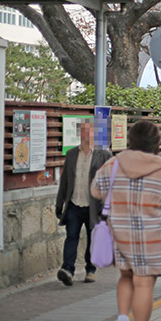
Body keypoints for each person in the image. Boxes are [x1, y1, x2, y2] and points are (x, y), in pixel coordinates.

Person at [90, 120, 161, 321]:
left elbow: (96, 190)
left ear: (130, 139)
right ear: (157, 142)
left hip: (120, 231)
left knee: (125, 276)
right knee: (143, 283)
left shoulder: (113, 164)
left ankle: (123, 318)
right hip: (152, 235)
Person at [55, 119, 112, 286]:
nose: (86, 135)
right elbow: (65, 181)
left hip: (94, 206)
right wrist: (60, 204)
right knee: (71, 236)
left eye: (89, 131)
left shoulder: (104, 155)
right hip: (74, 203)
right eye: (83, 131)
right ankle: (68, 270)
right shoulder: (72, 154)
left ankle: (91, 270)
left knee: (93, 238)